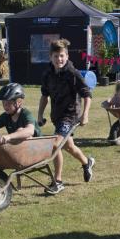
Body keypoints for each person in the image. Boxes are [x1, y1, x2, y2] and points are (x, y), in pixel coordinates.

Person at [37, 39, 94, 194]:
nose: (59, 59)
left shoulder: (72, 73)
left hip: (70, 115)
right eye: (56, 56)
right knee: (68, 146)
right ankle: (86, 162)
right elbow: (44, 95)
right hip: (57, 115)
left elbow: (87, 94)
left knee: (56, 144)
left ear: (67, 56)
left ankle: (58, 181)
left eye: (62, 56)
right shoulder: (47, 73)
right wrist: (40, 114)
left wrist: (85, 114)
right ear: (50, 57)